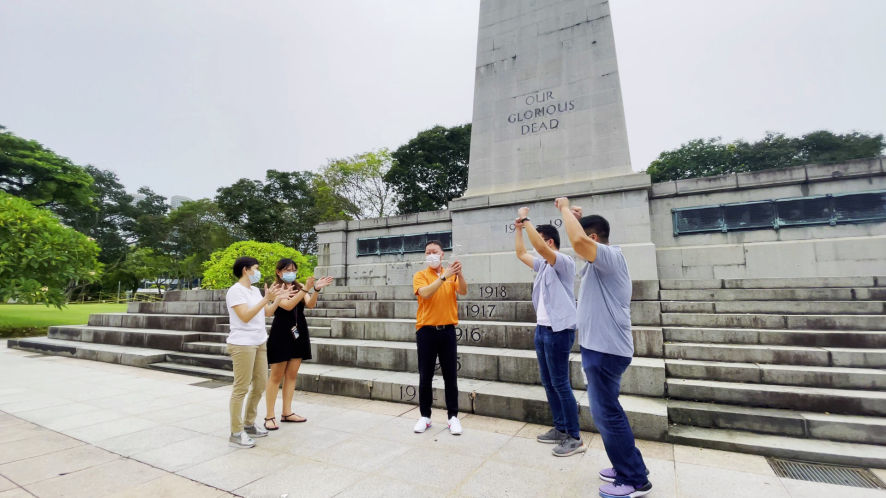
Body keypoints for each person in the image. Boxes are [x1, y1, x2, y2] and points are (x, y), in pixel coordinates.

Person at [555, 197, 652, 498]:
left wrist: (563, 209)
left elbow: (578, 241)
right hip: (601, 348)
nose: (576, 247)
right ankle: (628, 466)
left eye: (585, 239)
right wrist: (573, 217)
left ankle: (634, 479)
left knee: (608, 414)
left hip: (606, 351)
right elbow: (580, 240)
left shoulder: (610, 256)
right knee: (608, 412)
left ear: (594, 238)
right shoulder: (601, 263)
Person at [513, 206, 584, 457]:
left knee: (561, 383)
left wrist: (526, 218)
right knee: (548, 381)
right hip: (542, 328)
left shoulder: (562, 261)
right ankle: (560, 428)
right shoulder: (542, 266)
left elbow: (541, 250)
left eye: (539, 240)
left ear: (549, 241)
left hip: (559, 330)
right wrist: (519, 230)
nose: (536, 247)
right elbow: (521, 252)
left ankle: (574, 437)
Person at [226, 256, 292, 449]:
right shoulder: (235, 291)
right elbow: (245, 316)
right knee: (241, 387)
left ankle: (249, 423)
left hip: (259, 341)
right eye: (256, 268)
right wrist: (266, 299)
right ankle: (236, 432)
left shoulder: (254, 290)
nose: (258, 271)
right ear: (246, 270)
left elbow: (267, 312)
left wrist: (276, 299)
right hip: (242, 344)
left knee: (260, 384)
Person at [264, 258, 334, 429]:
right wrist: (305, 289)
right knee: (276, 376)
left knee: (292, 375)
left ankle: (287, 412)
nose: (291, 273)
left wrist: (315, 289)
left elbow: (309, 304)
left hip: (298, 331)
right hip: (281, 332)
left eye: (293, 270)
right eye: (287, 270)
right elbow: (287, 306)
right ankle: (269, 416)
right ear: (278, 272)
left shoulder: (299, 286)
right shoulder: (276, 288)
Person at [412, 240, 467, 435]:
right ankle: (425, 416)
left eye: (434, 251)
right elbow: (425, 293)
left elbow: (463, 290)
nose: (431, 255)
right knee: (425, 375)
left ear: (442, 254)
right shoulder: (420, 275)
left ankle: (453, 417)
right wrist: (444, 277)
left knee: (450, 375)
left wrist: (458, 273)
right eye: (427, 252)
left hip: (447, 330)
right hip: (426, 331)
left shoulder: (450, 274)